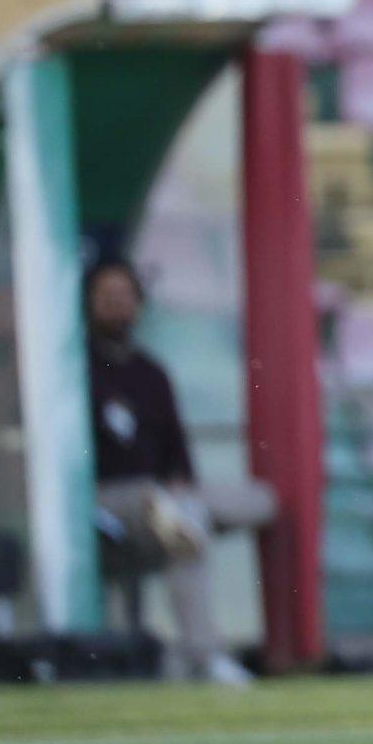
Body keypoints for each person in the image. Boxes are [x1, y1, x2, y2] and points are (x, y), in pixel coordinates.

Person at [86, 258, 269, 685]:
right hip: (110, 498)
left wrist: (180, 485)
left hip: (163, 497)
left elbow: (176, 450)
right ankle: (205, 655)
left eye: (124, 297)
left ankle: (235, 651)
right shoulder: (76, 371)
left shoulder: (151, 372)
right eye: (106, 298)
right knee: (184, 521)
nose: (117, 306)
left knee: (257, 501)